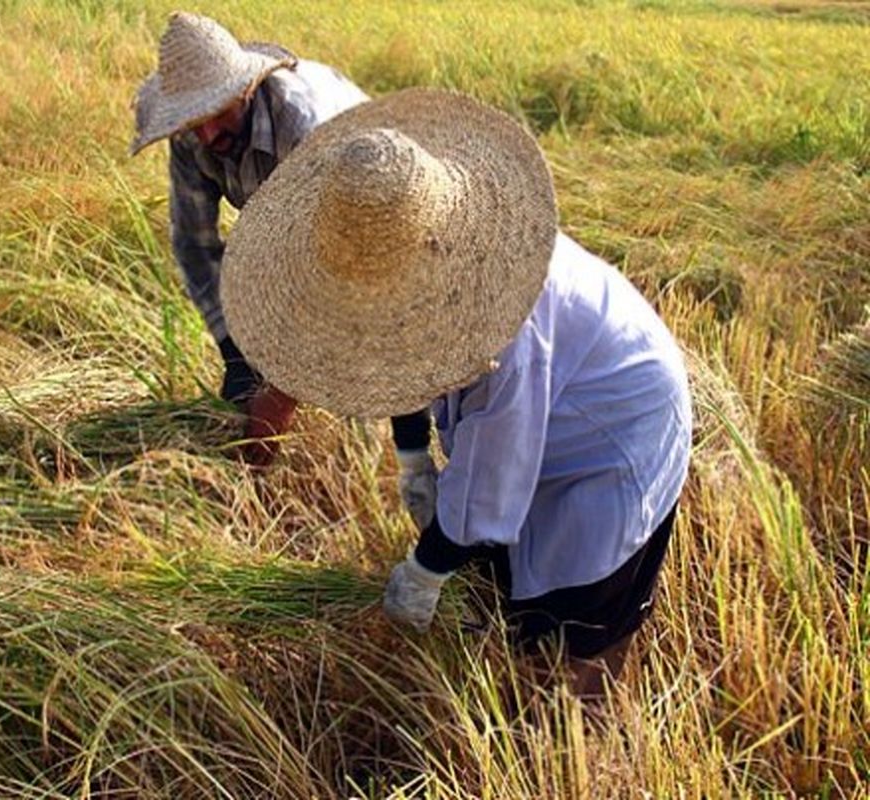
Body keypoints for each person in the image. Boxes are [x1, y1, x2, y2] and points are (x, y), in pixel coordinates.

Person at [218, 87, 692, 697]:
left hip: (617, 436)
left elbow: (491, 475)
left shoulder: (505, 326)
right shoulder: (418, 256)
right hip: (558, 399)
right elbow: (408, 365)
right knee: (505, 592)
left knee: (578, 630)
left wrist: (425, 570)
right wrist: (414, 456)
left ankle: (582, 733)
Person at [129, 11, 434, 472]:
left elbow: (341, 274)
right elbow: (195, 243)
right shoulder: (195, 134)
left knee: (392, 329)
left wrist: (279, 399)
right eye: (195, 122)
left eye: (218, 113)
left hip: (382, 213)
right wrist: (234, 351)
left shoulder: (306, 128)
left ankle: (414, 466)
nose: (208, 134)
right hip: (289, 223)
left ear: (246, 89)